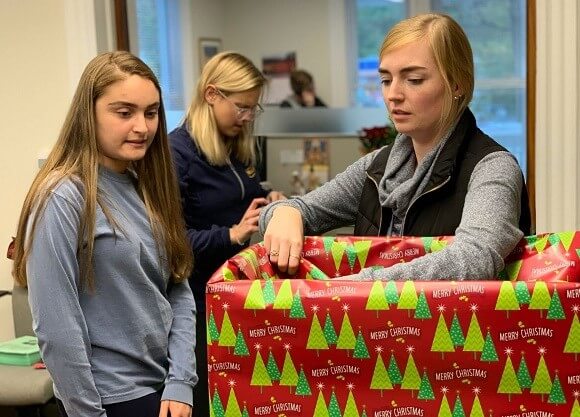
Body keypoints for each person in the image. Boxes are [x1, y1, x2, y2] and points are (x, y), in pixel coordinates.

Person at [260, 13, 532, 279]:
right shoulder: (377, 166)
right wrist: (285, 212)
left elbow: (474, 258)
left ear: (457, 83)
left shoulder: (492, 167)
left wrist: (355, 288)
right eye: (386, 80)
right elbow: (293, 212)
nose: (393, 95)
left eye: (413, 80)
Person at [12, 51, 197, 417]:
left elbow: (178, 290)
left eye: (151, 111)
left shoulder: (145, 184)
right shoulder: (62, 197)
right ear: (89, 113)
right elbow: (56, 329)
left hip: (163, 391)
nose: (142, 127)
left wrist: (180, 382)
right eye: (124, 112)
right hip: (108, 401)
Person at [168, 51, 285, 417]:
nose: (248, 117)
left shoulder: (237, 146)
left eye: (254, 109)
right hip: (195, 305)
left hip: (237, 293)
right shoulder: (177, 154)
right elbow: (170, 245)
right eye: (241, 107)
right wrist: (231, 235)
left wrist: (271, 202)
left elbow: (242, 201)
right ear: (212, 94)